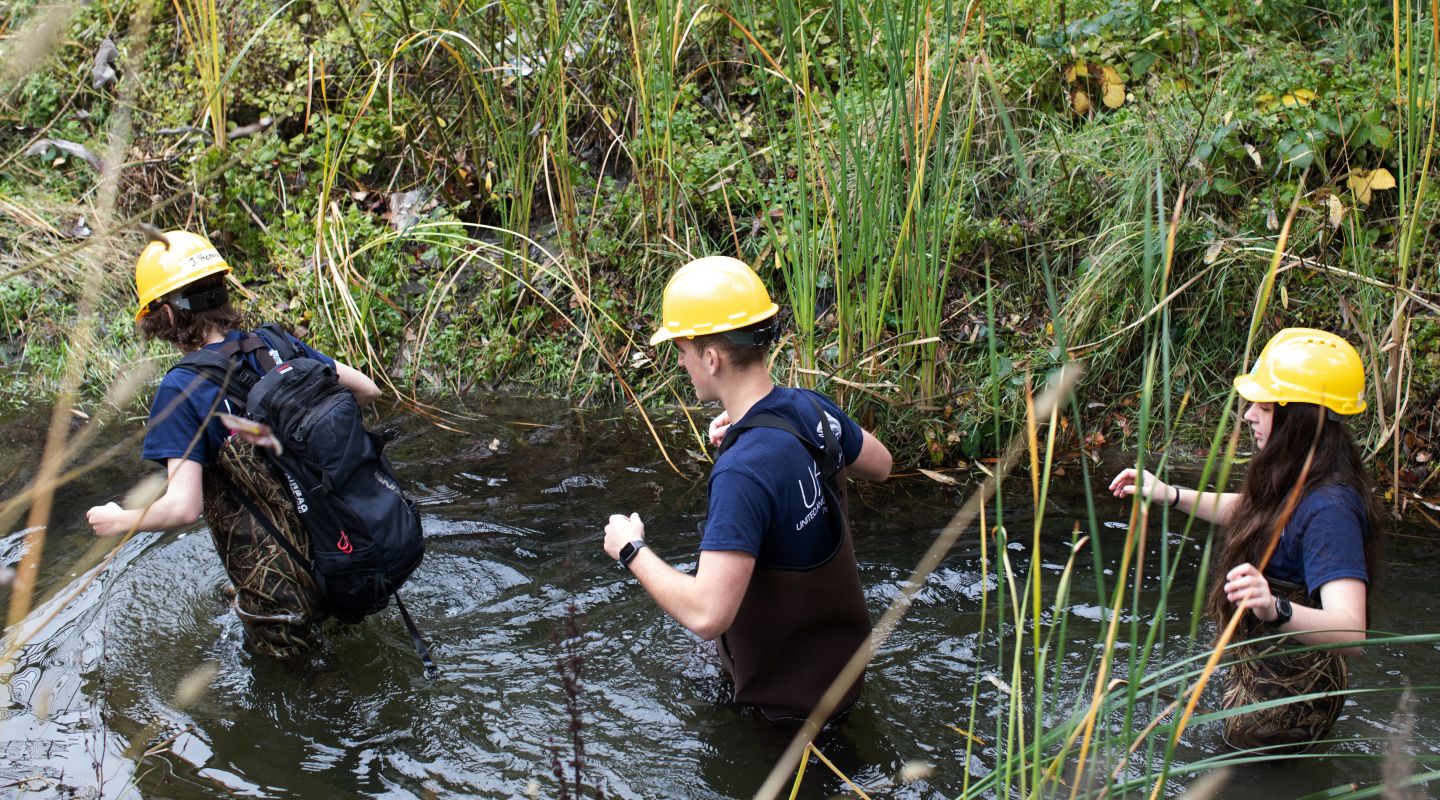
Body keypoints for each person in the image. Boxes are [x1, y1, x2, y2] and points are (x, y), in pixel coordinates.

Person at [601, 256, 893, 722]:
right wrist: (759, 431)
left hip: (786, 718)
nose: (680, 360)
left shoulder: (742, 471)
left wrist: (631, 550)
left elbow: (708, 615)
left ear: (711, 357)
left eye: (682, 349)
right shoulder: (812, 410)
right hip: (843, 679)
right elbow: (881, 465)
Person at [86, 230, 381, 657]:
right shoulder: (275, 343)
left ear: (165, 316)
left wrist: (118, 520)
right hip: (348, 553)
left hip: (281, 590)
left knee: (308, 701)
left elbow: (184, 507)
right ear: (222, 292)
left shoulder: (182, 389)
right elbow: (367, 389)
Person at [1109, 327, 1376, 752]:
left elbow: (1351, 632)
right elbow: (1253, 513)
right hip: (1268, 678)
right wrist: (1168, 494)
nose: (1248, 414)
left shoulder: (1331, 509)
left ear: (1300, 418)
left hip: (1288, 704)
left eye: (1264, 407)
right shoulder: (1304, 473)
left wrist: (1275, 607)